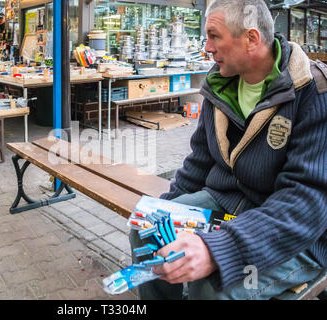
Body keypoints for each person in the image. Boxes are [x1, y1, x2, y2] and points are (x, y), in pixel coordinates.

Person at [129, 0, 326, 300]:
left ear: (251, 39)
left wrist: (218, 249)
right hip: (228, 201)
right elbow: (199, 161)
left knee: (211, 287)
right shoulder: (221, 83)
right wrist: (163, 211)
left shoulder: (313, 92)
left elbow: (305, 204)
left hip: (298, 233)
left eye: (213, 35)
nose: (206, 47)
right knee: (147, 230)